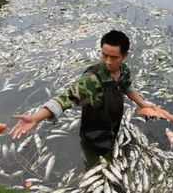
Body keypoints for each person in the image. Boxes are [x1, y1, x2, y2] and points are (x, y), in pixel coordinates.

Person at [9, 30, 155, 153]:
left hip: (113, 123)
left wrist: (143, 104)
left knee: (111, 149)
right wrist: (36, 117)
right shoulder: (91, 78)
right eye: (104, 55)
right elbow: (63, 99)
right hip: (94, 132)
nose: (108, 61)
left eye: (114, 57)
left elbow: (127, 87)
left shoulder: (123, 70)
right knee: (97, 157)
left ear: (124, 56)